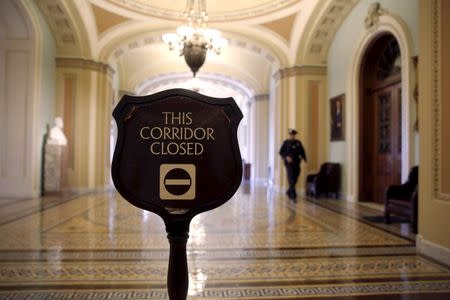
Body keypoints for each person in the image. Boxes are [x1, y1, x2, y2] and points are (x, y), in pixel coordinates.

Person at [279, 129, 307, 200]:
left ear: (295, 135)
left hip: (296, 163)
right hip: (289, 164)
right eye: (291, 135)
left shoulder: (298, 143)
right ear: (289, 135)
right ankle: (293, 195)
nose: (292, 136)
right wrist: (286, 157)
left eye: (293, 135)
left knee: (295, 178)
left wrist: (304, 159)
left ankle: (289, 191)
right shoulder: (286, 142)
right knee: (291, 178)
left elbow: (302, 151)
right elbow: (281, 152)